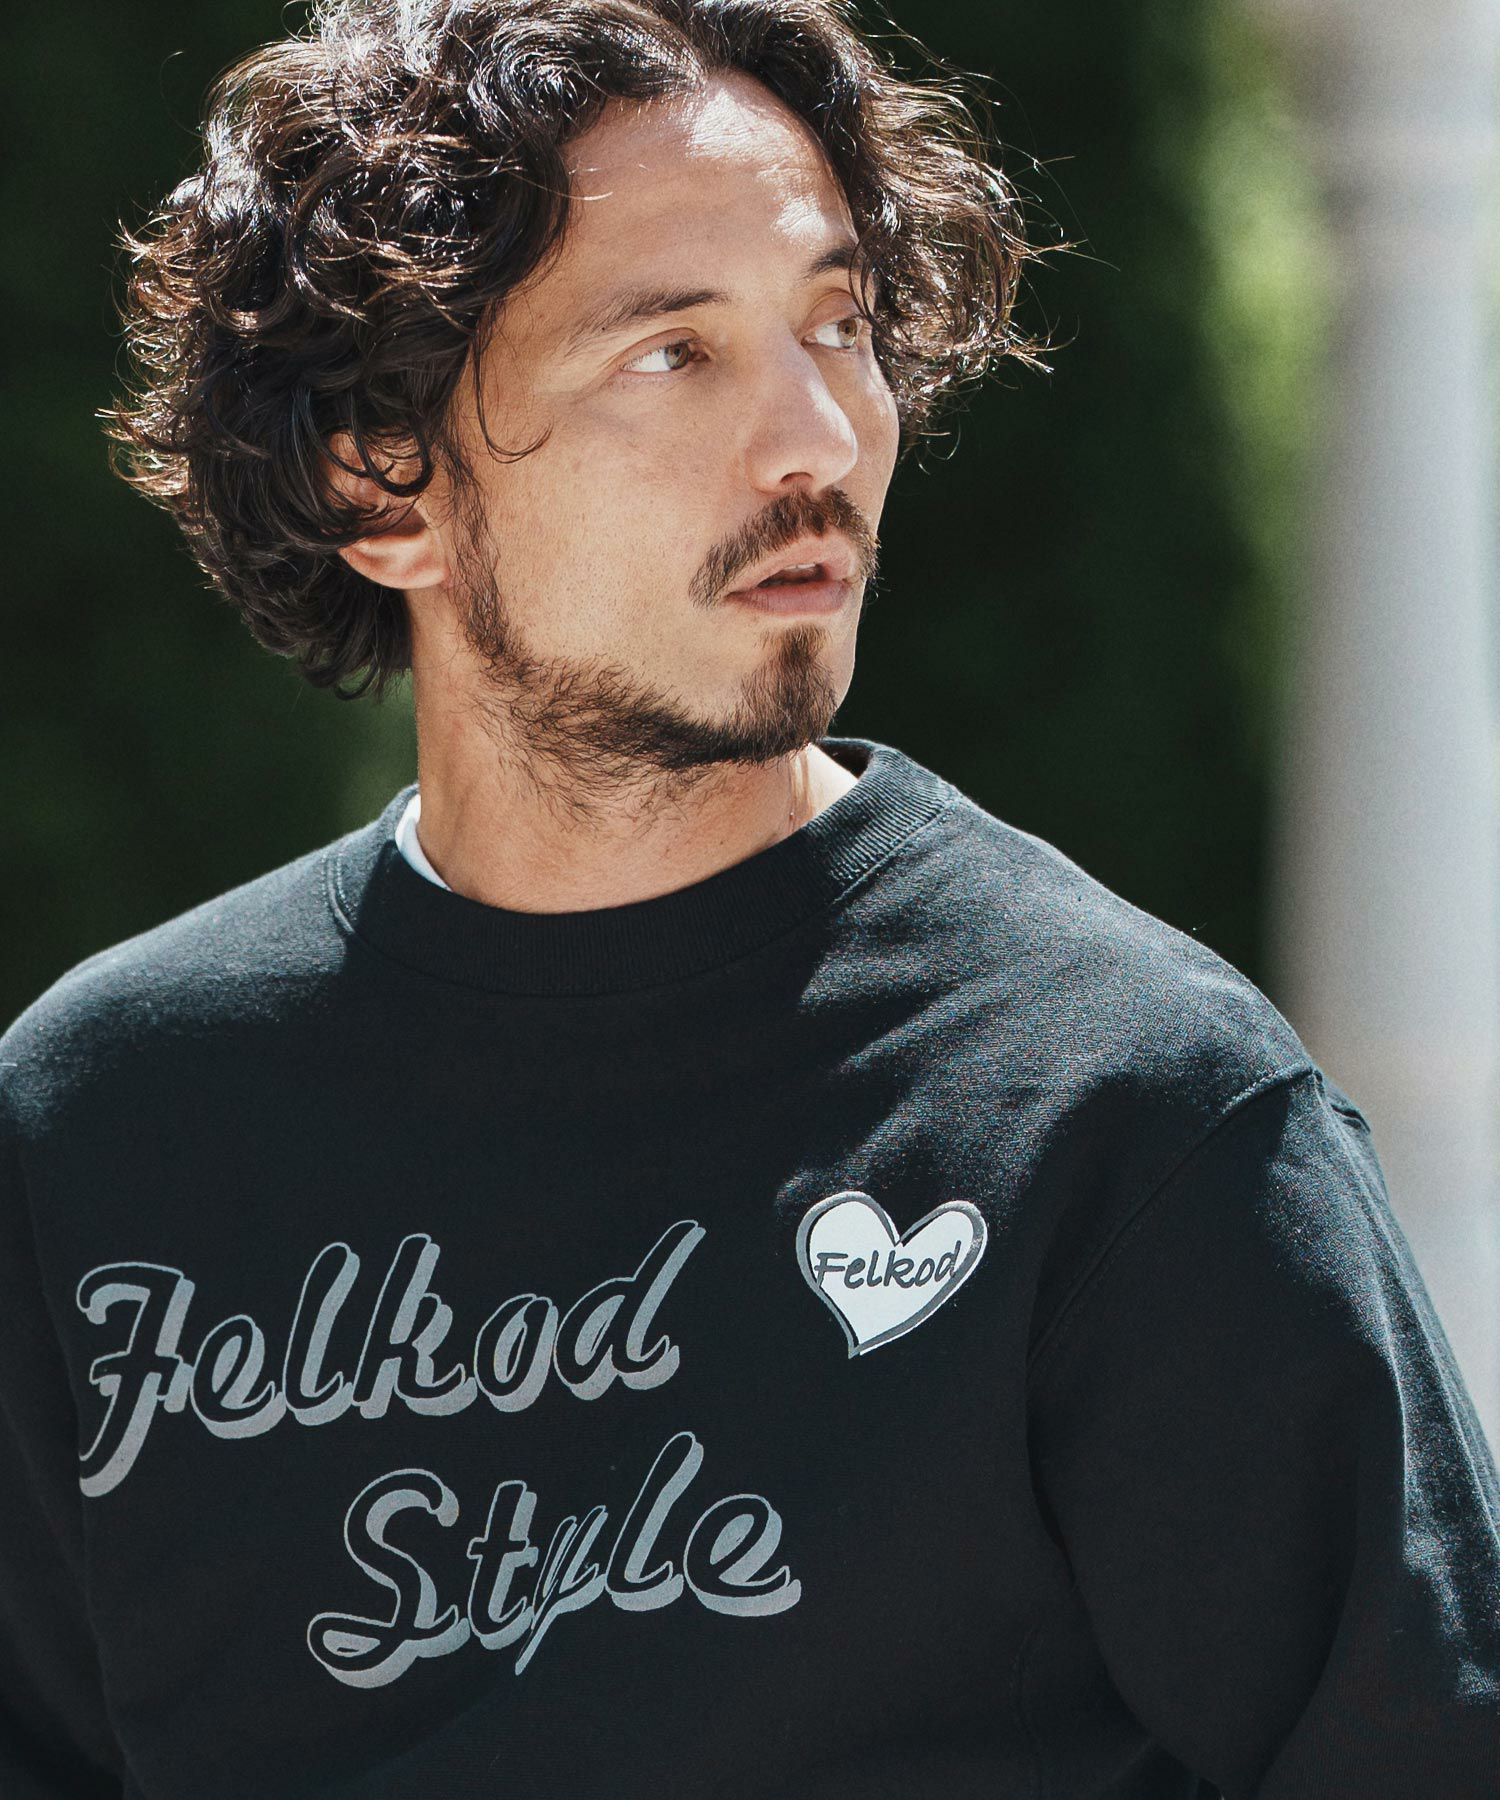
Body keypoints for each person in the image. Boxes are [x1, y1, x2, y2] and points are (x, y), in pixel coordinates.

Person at [2, 0, 1497, 1793]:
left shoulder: (1129, 1114)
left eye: (838, 325)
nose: (817, 438)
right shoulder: (98, 1126)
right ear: (385, 481)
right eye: (673, 352)